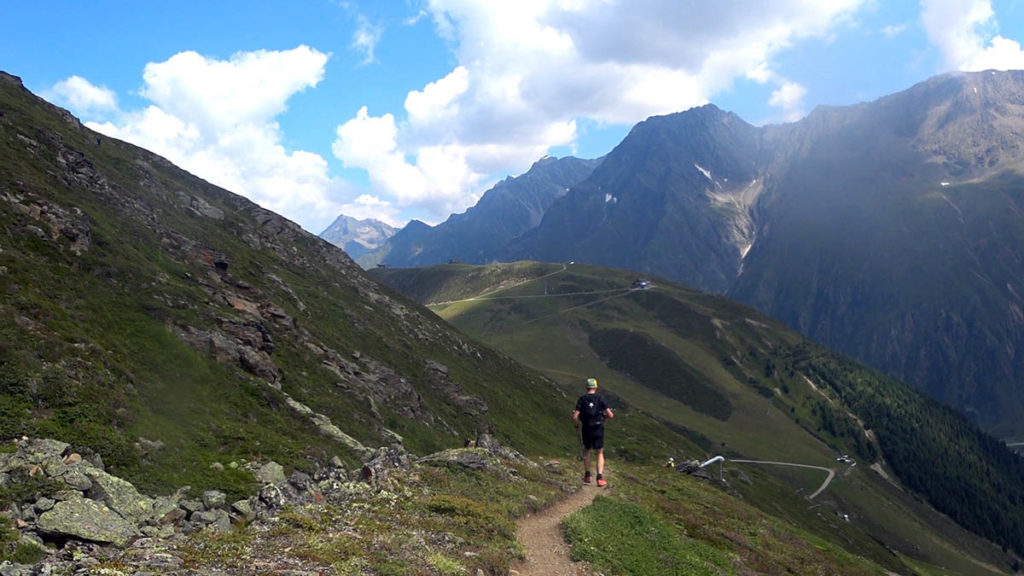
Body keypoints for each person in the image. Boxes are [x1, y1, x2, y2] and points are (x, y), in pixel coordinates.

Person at [572, 377, 614, 486]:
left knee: (587, 450)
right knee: (599, 452)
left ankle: (587, 476)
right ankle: (599, 478)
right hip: (598, 428)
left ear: (586, 387)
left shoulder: (582, 399)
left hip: (586, 428)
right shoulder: (600, 398)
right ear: (596, 387)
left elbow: (575, 416)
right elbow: (610, 415)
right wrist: (604, 419)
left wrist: (576, 426)